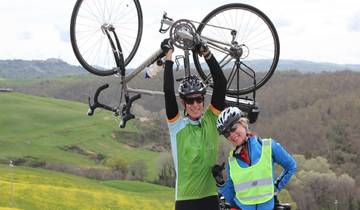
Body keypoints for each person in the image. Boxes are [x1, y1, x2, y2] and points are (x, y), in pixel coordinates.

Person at [161, 38, 227, 210]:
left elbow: (221, 83)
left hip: (210, 197)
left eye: (199, 99)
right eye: (190, 101)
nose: (196, 104)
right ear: (184, 104)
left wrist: (206, 53)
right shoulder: (177, 127)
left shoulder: (211, 120)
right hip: (185, 200)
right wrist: (169, 57)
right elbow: (168, 92)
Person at [213, 107, 297, 210]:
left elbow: (291, 166)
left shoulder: (268, 147)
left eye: (233, 128)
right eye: (226, 133)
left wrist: (275, 187)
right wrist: (220, 182)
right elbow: (229, 195)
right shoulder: (232, 161)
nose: (231, 135)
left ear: (243, 123)